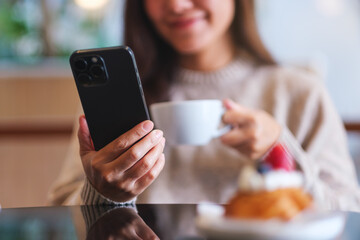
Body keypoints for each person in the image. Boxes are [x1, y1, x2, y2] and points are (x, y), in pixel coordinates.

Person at [48, 0, 360, 210]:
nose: (176, 6)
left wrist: (280, 153)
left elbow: (347, 212)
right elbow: (58, 211)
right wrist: (103, 194)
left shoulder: (299, 93)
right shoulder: (122, 96)